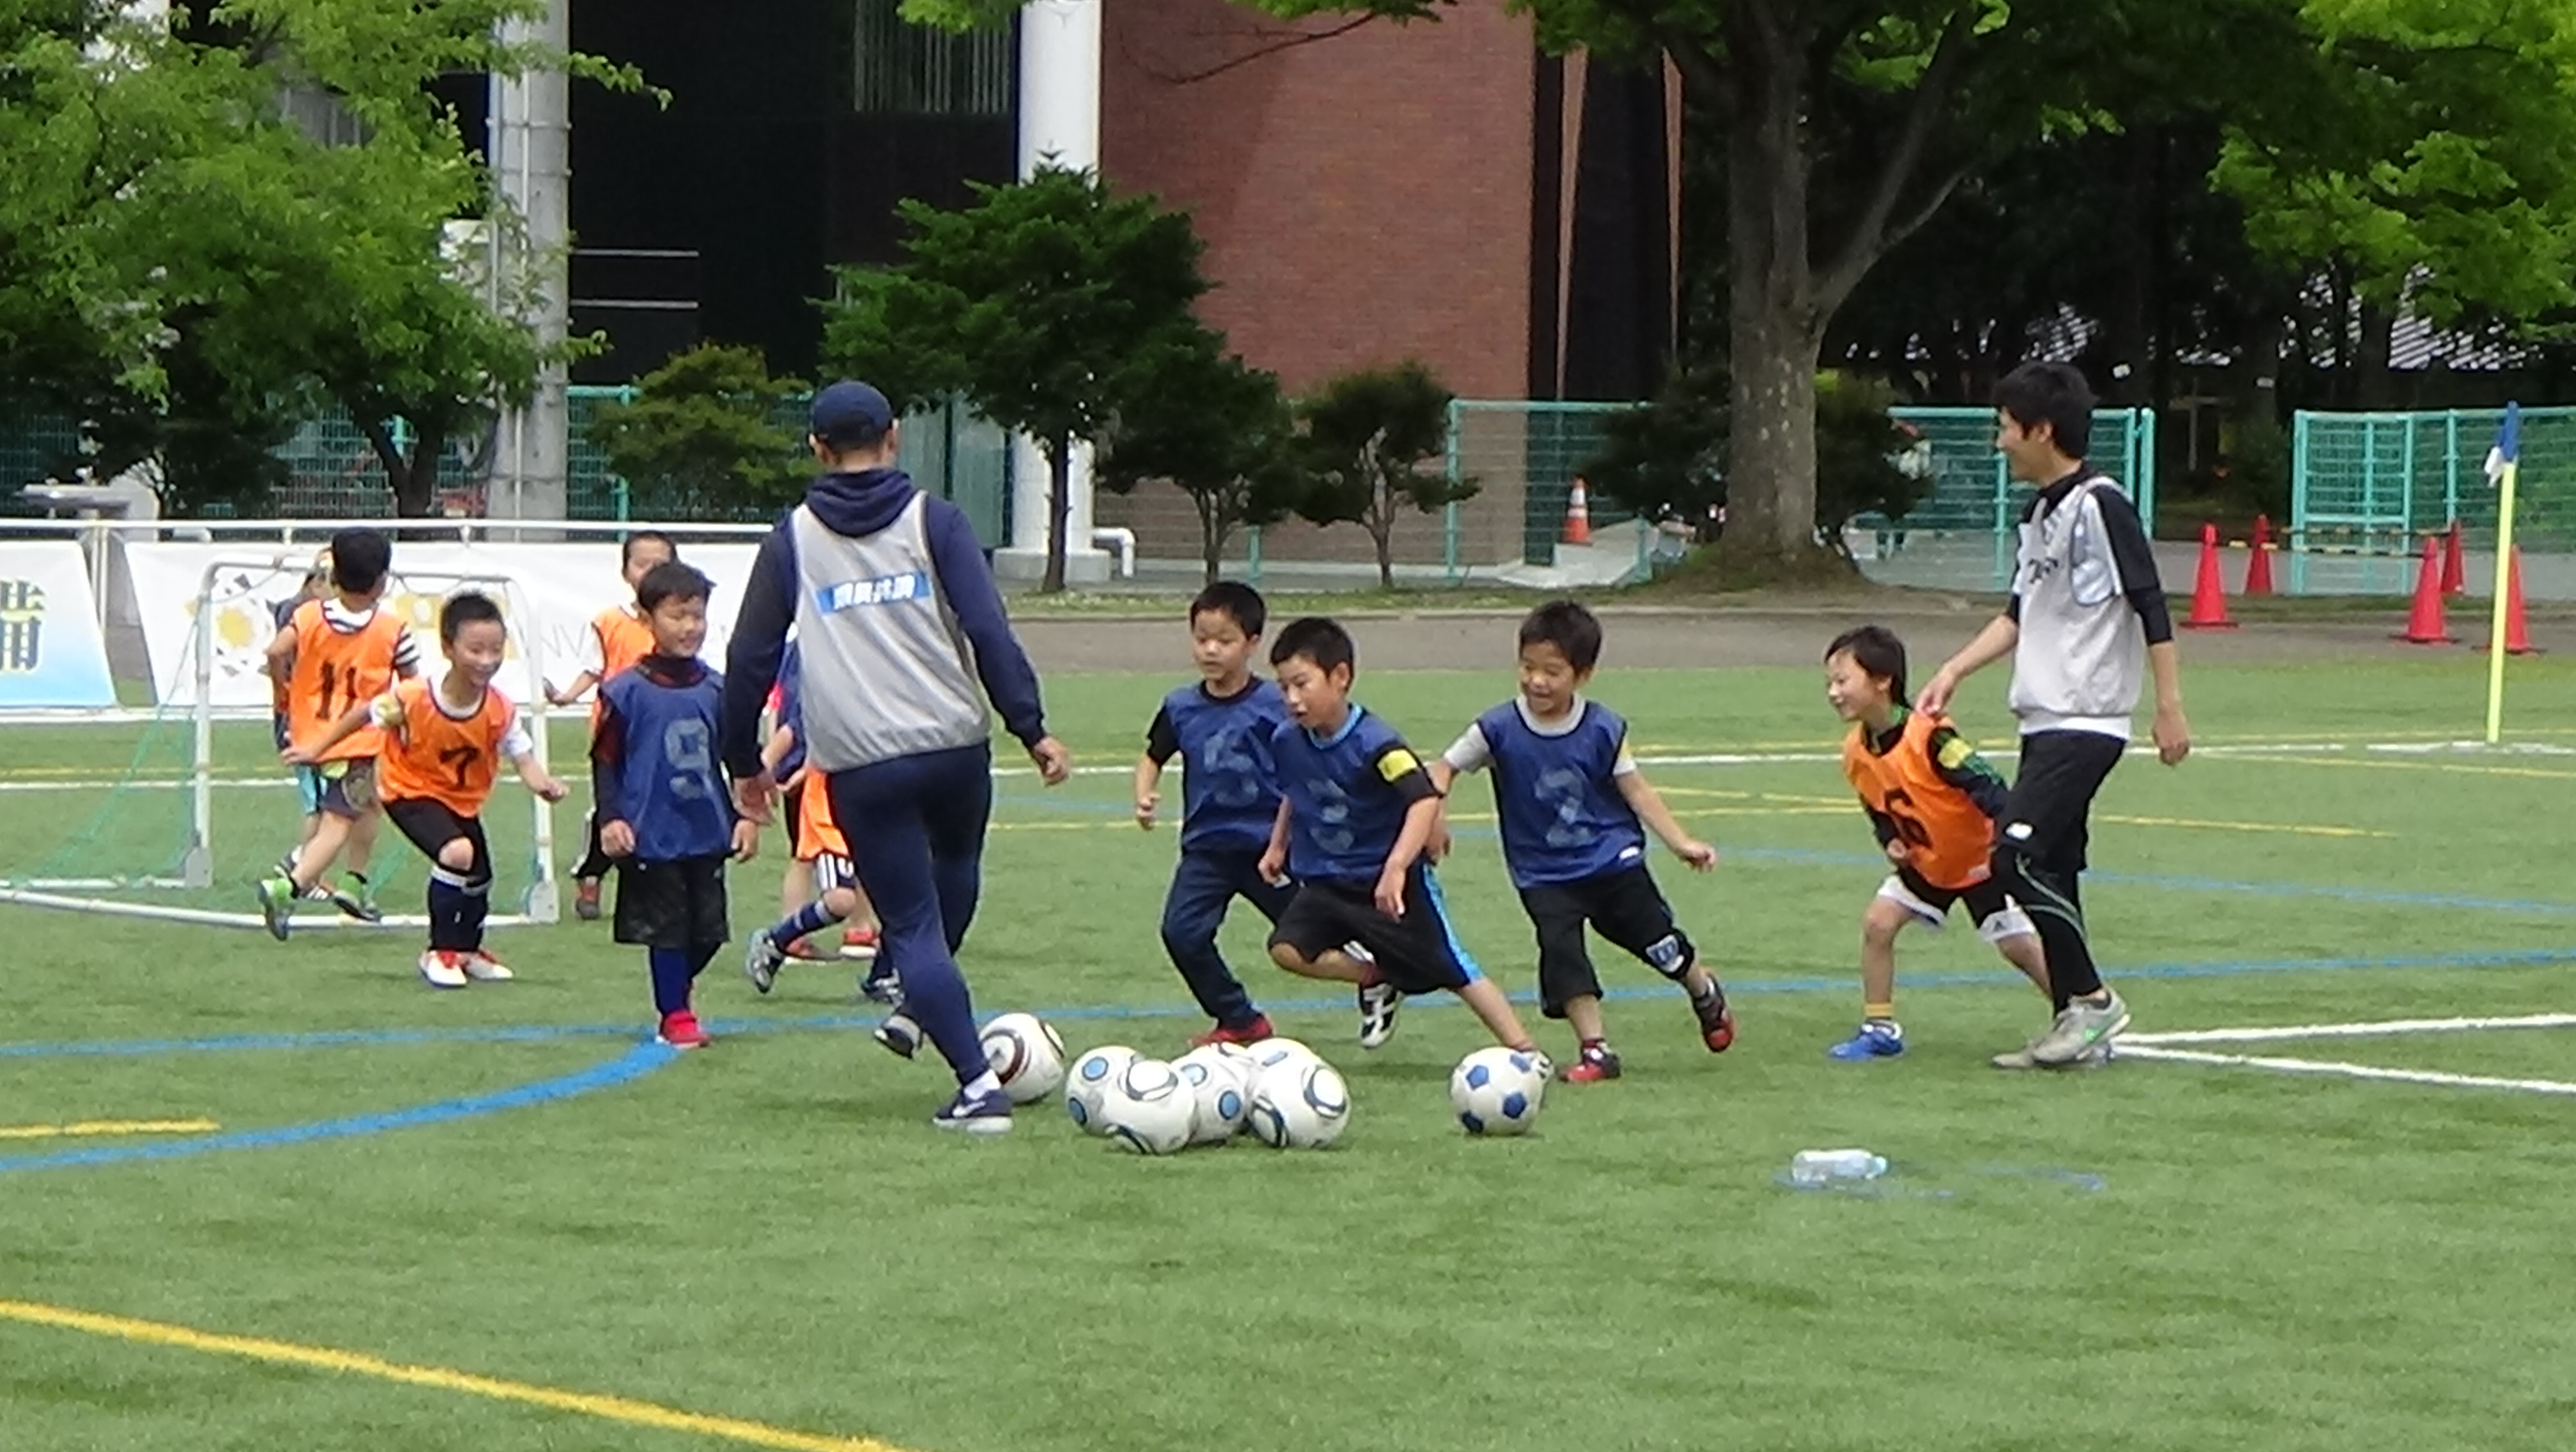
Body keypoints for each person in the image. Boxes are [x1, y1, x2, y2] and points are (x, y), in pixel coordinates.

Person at [719, 380, 1072, 1133]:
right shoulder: (934, 521)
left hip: (864, 765)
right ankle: (921, 1008)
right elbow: (989, 627)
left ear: (816, 449)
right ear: (896, 436)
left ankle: (976, 1081)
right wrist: (1030, 726)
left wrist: (741, 761)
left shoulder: (793, 539)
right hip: (955, 746)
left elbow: (749, 657)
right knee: (956, 881)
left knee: (911, 924)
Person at [1917, 361, 2191, 1069]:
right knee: (2056, 868)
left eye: (2006, 427)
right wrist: (1954, 669)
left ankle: (2094, 1001)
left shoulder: (2102, 504)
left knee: (2016, 854)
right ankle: (2075, 1018)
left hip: (2087, 719)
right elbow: (2020, 614)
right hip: (2042, 720)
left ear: (2043, 429)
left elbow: (2149, 601)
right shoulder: (2038, 513)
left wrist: (2168, 706)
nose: (1999, 441)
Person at [1428, 601, 1734, 1083]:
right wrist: (1434, 814)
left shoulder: (1603, 730)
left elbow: (1636, 790)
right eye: (1528, 667)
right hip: (1542, 873)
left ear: (1583, 674)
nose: (1536, 682)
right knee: (1561, 950)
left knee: (1660, 945)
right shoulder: (1497, 728)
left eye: (1552, 671)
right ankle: (1596, 1050)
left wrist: (1680, 842)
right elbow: (1442, 767)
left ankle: (1703, 989)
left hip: (1611, 862)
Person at [1257, 617, 1547, 1065]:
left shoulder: (1377, 743)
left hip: (1388, 883)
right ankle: (1375, 977)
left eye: (1302, 684)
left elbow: (1423, 798)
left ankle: (1524, 1050)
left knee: (1452, 967)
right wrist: (1278, 845)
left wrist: (1396, 867)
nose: (1292, 700)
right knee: (1287, 949)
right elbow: (1295, 793)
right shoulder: (1286, 740)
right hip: (1327, 881)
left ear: (1341, 677)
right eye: (1283, 688)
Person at [290, 593, 569, 987]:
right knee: (458, 854)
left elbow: (524, 759)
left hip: (462, 802)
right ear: (447, 648)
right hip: (408, 792)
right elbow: (362, 714)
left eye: (495, 650)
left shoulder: (499, 710)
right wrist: (317, 747)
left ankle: (469, 950)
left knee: (480, 878)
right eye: (475, 650)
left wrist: (545, 785)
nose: (486, 660)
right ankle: (439, 951)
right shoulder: (413, 697)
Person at [1823, 624, 2050, 1061]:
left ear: (1883, 680)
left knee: (2020, 949)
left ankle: (2078, 1015)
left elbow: (1989, 787)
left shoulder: (1931, 737)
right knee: (1878, 925)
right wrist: (1890, 840)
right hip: (1929, 864)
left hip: (1979, 861)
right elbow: (1878, 807)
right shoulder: (1857, 751)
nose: (1834, 692)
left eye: (1842, 680)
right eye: (1830, 683)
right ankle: (1880, 1028)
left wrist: (2010, 844)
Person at [595, 560, 759, 1049]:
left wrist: (747, 816)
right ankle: (674, 1014)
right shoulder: (624, 692)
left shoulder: (716, 688)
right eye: (676, 616)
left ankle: (676, 990)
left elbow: (738, 759)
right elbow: (605, 760)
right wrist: (612, 817)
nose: (690, 627)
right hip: (651, 828)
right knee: (667, 929)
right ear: (647, 620)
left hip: (706, 826)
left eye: (697, 616)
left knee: (707, 931)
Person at [1135, 582, 1296, 1047]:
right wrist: (1145, 795)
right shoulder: (1180, 707)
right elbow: (1152, 756)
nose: (1210, 649)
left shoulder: (1274, 705)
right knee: (1181, 933)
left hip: (1270, 849)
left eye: (1224, 640)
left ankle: (1381, 972)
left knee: (1312, 935)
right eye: (1202, 638)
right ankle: (1239, 1018)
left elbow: (1305, 758)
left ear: (1252, 644)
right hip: (1207, 850)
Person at [259, 528, 420, 939]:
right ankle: (289, 885)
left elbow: (276, 651)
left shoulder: (308, 616)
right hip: (356, 739)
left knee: (366, 806)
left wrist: (284, 690)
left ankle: (354, 885)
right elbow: (410, 686)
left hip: (308, 731)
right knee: (338, 821)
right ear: (382, 580)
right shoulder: (392, 630)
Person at [742, 642, 899, 1021]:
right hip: (832, 813)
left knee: (904, 889)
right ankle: (777, 940)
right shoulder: (825, 682)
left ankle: (882, 975)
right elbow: (793, 732)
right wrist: (758, 776)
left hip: (875, 803)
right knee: (841, 899)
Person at [547, 531, 676, 922]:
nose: (651, 571)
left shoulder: (676, 621)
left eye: (661, 564)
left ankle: (655, 888)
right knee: (610, 809)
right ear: (625, 572)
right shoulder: (608, 622)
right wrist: (568, 696)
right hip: (616, 732)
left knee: (658, 808)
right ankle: (590, 873)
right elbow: (594, 667)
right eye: (642, 563)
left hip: (661, 732)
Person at [269, 549, 337, 897]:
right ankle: (301, 868)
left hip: (318, 724)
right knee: (321, 804)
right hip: (303, 724)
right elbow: (277, 656)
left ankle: (305, 866)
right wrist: (285, 698)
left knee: (332, 803)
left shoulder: (314, 613)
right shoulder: (302, 613)